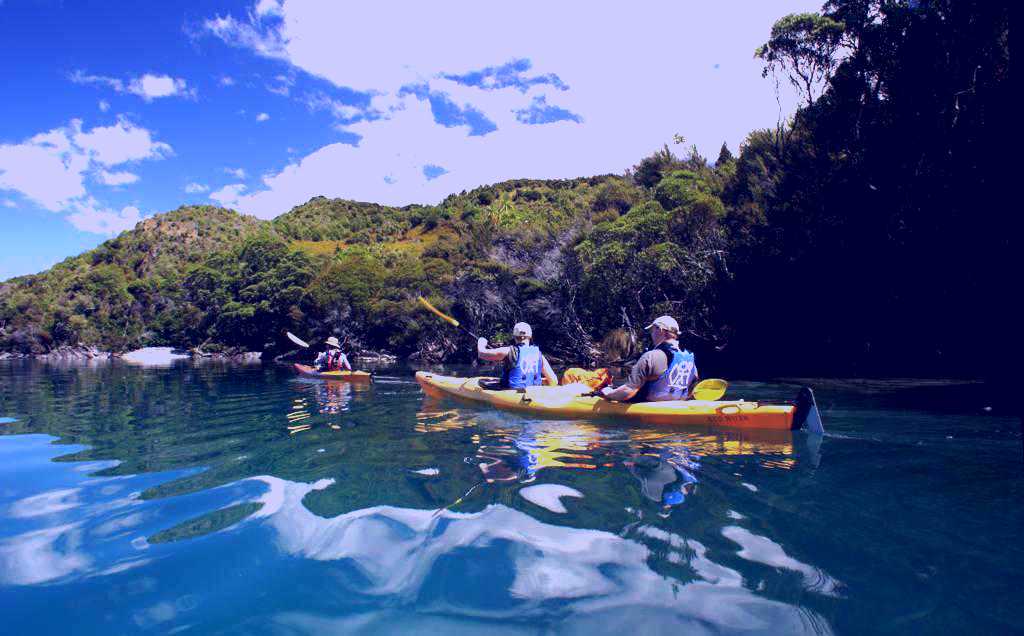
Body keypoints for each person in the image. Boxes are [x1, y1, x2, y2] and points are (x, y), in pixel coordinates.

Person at [599, 315, 698, 402]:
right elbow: (693, 385)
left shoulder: (651, 356)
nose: (651, 334)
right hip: (677, 406)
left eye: (652, 330)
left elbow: (629, 391)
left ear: (660, 329)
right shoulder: (689, 357)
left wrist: (608, 393)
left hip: (649, 411)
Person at [477, 322, 558, 388]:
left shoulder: (507, 351)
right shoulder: (539, 355)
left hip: (513, 394)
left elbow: (481, 353)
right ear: (530, 336)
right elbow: (554, 381)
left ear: (514, 336)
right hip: (535, 393)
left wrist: (481, 342)